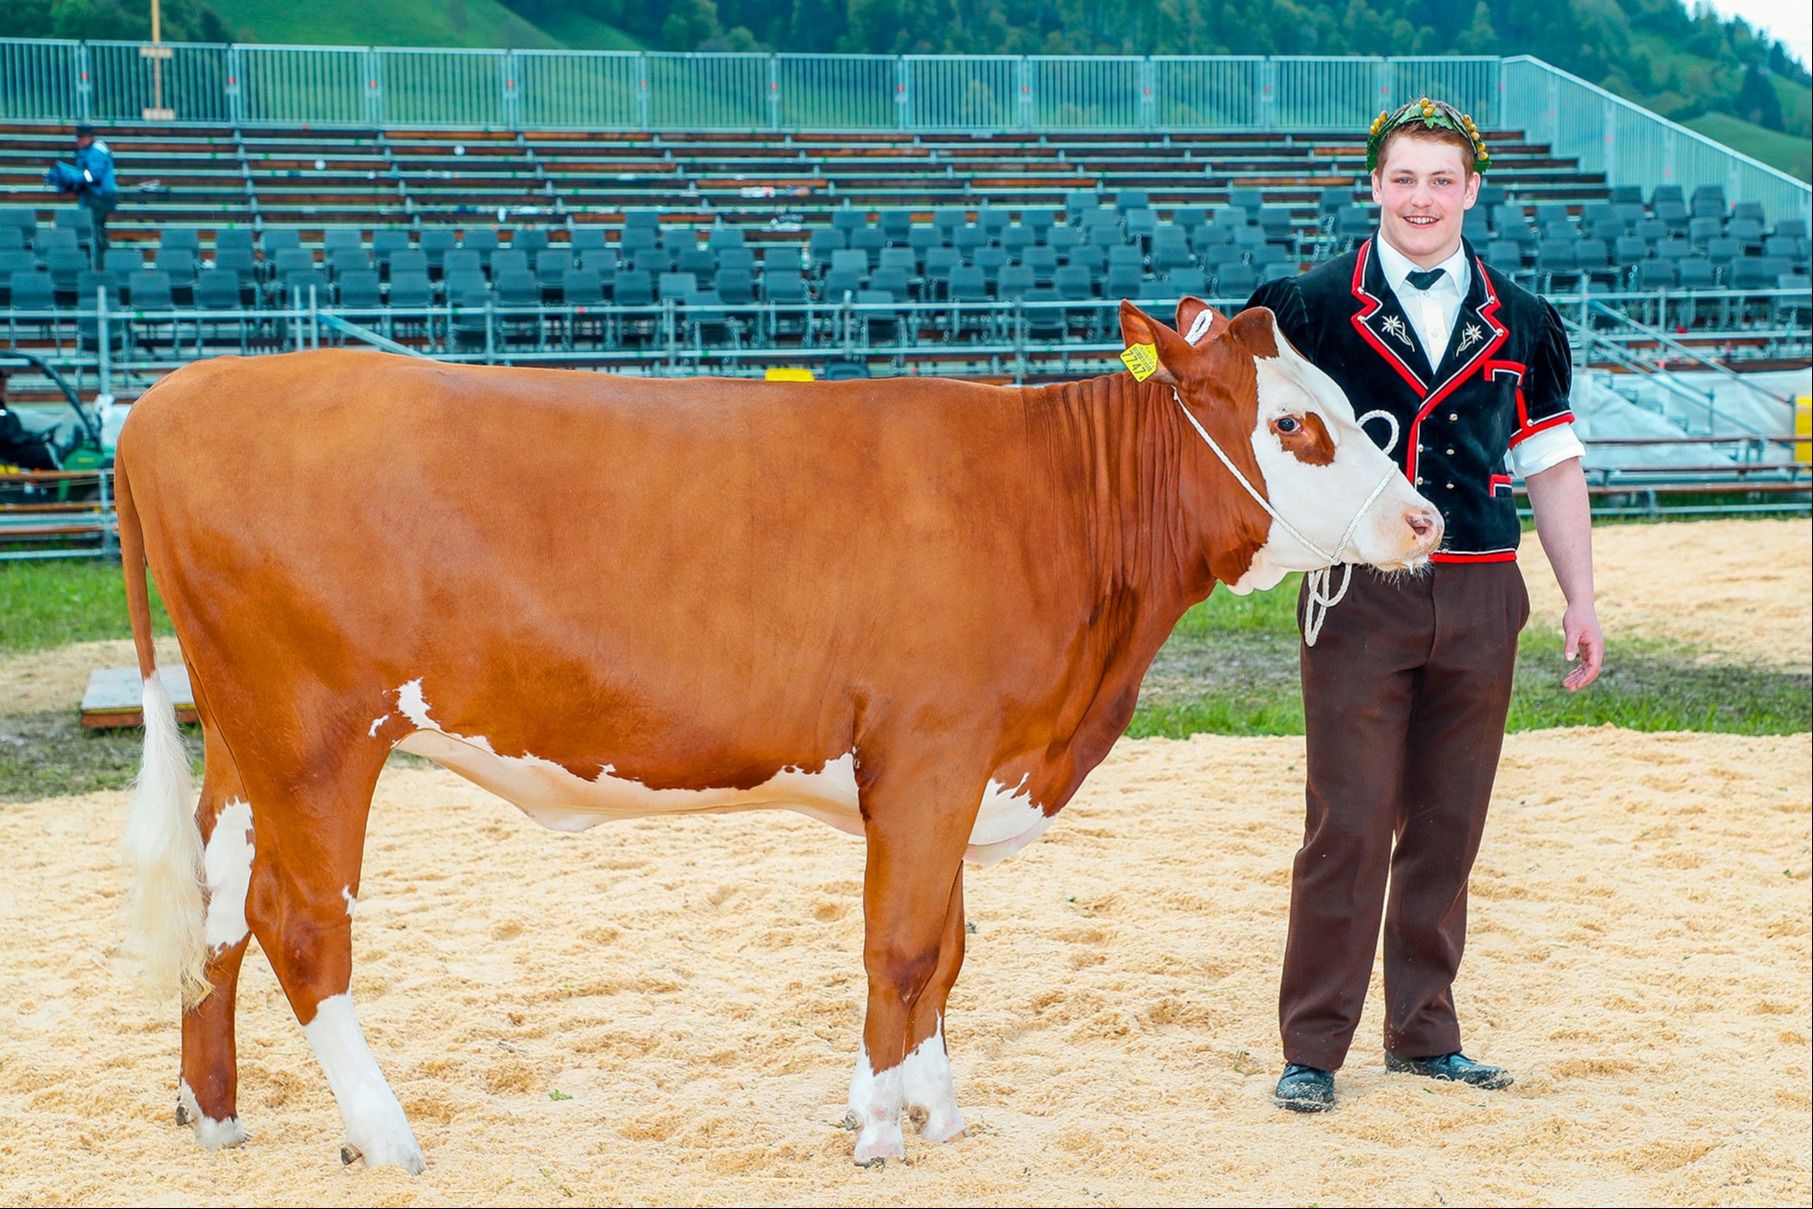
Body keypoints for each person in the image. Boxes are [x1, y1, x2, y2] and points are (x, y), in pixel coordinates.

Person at [1243, 97, 1605, 1113]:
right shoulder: (1304, 306)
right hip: (1359, 593)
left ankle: (1422, 1036)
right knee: (1348, 822)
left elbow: (1553, 466)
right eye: (1402, 177)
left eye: (1441, 179)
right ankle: (1312, 1049)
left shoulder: (1524, 320)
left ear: (1471, 191)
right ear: (1373, 186)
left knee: (1448, 825)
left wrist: (1580, 598)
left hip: (1486, 590)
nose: (1420, 198)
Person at [44, 123, 119, 254]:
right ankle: (97, 258)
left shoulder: (97, 151)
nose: (79, 141)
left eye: (81, 137)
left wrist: (70, 174)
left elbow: (91, 175)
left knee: (95, 230)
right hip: (93, 196)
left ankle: (100, 260)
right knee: (93, 229)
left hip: (100, 197)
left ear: (89, 138)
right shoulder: (88, 151)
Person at [0, 369, 65, 471]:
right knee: (42, 453)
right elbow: (9, 436)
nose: (3, 387)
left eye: (3, 383)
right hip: (6, 454)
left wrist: (34, 438)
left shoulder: (4, 409)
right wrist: (30, 439)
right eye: (1, 384)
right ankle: (54, 484)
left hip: (8, 451)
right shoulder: (3, 413)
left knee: (41, 449)